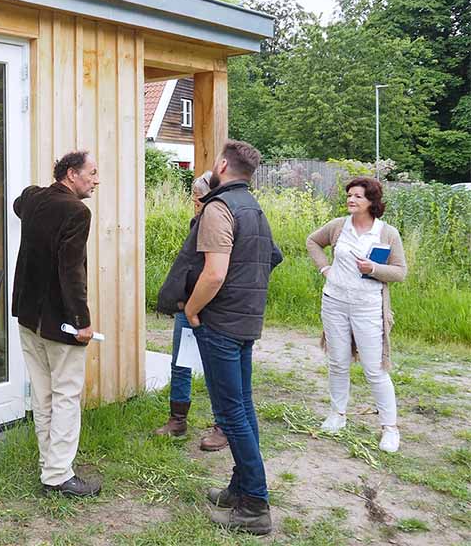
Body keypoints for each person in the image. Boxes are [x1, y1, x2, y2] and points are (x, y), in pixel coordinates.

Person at [158, 140, 282, 535]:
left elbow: (214, 273)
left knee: (231, 415)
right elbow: (268, 259)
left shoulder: (218, 207)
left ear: (224, 165)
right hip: (245, 323)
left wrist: (192, 309)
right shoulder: (254, 207)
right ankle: (241, 487)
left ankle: (255, 507)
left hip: (222, 325)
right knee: (242, 408)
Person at [12, 150, 101, 497]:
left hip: (28, 317)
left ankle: (50, 467)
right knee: (64, 396)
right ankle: (59, 475)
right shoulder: (77, 212)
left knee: (43, 395)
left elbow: (20, 202)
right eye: (91, 173)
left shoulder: (35, 198)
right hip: (59, 324)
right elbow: (71, 271)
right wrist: (81, 322)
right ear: (70, 174)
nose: (96, 180)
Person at [306, 177, 407, 453]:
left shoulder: (387, 233)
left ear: (372, 202)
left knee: (375, 369)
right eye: (350, 195)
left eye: (358, 197)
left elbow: (400, 271)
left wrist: (373, 269)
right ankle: (337, 415)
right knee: (338, 363)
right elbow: (312, 241)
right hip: (334, 302)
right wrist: (325, 269)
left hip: (368, 307)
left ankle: (390, 428)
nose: (351, 200)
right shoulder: (339, 226)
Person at [154, 171, 228, 453]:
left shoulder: (230, 221)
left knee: (218, 367)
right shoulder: (196, 222)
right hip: (189, 305)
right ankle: (178, 421)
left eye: (199, 199)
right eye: (194, 199)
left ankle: (223, 426)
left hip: (217, 308)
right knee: (181, 363)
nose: (195, 204)